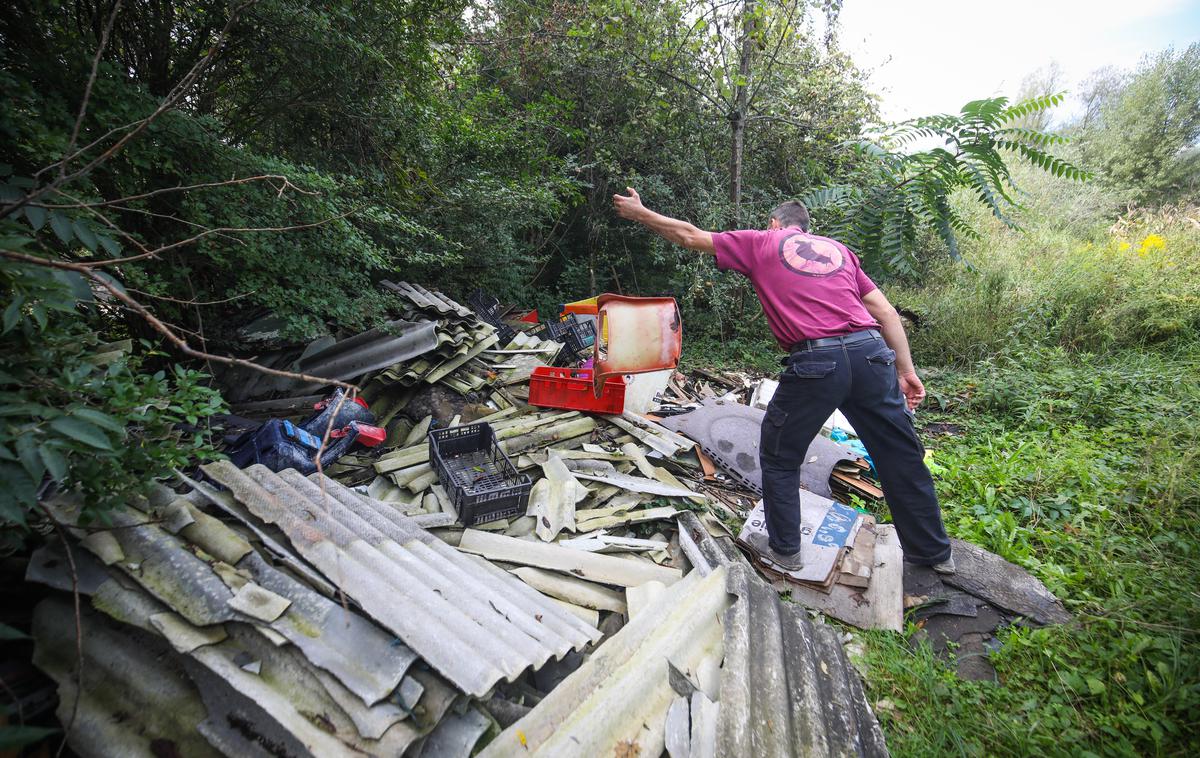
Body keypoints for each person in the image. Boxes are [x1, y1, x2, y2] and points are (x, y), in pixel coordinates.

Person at [612, 187, 955, 576]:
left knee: (780, 456)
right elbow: (887, 312)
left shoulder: (763, 242)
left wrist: (640, 213)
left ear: (775, 224)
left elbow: (690, 236)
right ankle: (934, 554)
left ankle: (786, 551)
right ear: (807, 230)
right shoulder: (839, 251)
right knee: (902, 457)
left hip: (817, 361)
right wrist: (906, 371)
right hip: (871, 353)